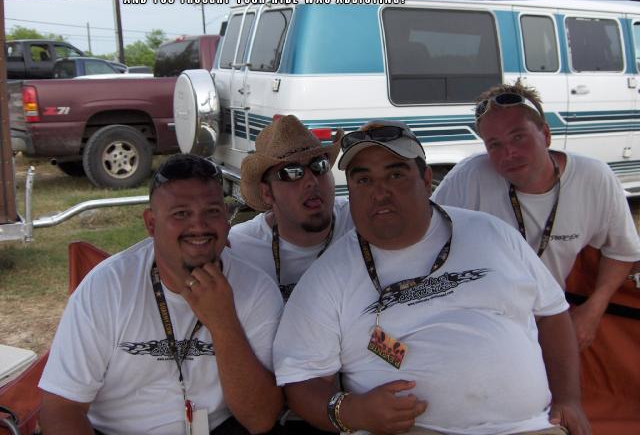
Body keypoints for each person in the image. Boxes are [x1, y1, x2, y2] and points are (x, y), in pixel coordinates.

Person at [273, 120, 590, 435]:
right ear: (350, 190)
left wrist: (569, 399)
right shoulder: (327, 277)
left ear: (426, 180)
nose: (379, 192)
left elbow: (552, 313)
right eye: (363, 180)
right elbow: (301, 380)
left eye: (395, 175)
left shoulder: (492, 233)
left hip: (528, 427)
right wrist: (353, 412)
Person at [39, 154, 284, 435]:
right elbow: (60, 408)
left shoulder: (256, 289)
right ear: (151, 224)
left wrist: (223, 323)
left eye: (212, 211)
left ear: (227, 220)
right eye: (181, 213)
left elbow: (261, 419)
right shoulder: (106, 288)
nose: (199, 226)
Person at [432, 80, 640, 350]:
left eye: (519, 137)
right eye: (494, 144)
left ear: (546, 134)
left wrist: (593, 310)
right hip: (484, 321)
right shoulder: (470, 176)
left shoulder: (593, 177)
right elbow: (426, 236)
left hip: (550, 317)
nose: (509, 153)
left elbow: (622, 251)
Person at [229, 115, 353, 301]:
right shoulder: (239, 249)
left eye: (320, 166)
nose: (311, 181)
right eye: (292, 173)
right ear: (267, 193)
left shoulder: (359, 223)